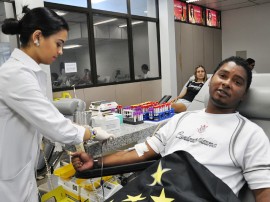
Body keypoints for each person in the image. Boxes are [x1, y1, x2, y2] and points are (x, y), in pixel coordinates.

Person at [72, 56, 270, 200]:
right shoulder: (182, 118)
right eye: (223, 75)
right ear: (210, 81)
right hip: (155, 191)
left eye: (237, 82)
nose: (227, 83)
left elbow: (263, 192)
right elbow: (141, 151)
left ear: (243, 94)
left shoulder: (251, 134)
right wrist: (96, 162)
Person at [0, 6, 114, 202]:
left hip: (19, 173)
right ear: (37, 37)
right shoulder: (15, 74)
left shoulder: (29, 73)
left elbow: (47, 117)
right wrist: (91, 132)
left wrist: (76, 142)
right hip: (8, 179)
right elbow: (54, 125)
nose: (61, 52)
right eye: (58, 44)